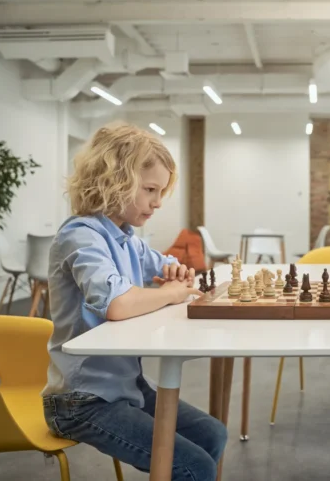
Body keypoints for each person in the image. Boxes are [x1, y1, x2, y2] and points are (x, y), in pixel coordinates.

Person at [42, 123, 226, 481]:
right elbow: (118, 304)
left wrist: (176, 273)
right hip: (81, 401)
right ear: (114, 181)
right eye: (150, 190)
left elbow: (168, 266)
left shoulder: (126, 238)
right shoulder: (80, 237)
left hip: (126, 386)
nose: (157, 202)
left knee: (212, 434)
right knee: (195, 466)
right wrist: (172, 292)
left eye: (160, 191)